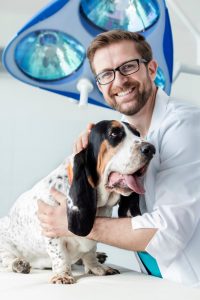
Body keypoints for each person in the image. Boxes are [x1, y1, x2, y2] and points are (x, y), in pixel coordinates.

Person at [37, 30, 200, 287]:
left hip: (191, 283)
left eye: (128, 66)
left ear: (152, 69)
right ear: (100, 86)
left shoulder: (185, 126)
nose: (119, 81)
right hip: (156, 282)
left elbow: (167, 234)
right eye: (106, 74)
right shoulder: (118, 135)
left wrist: (77, 224)